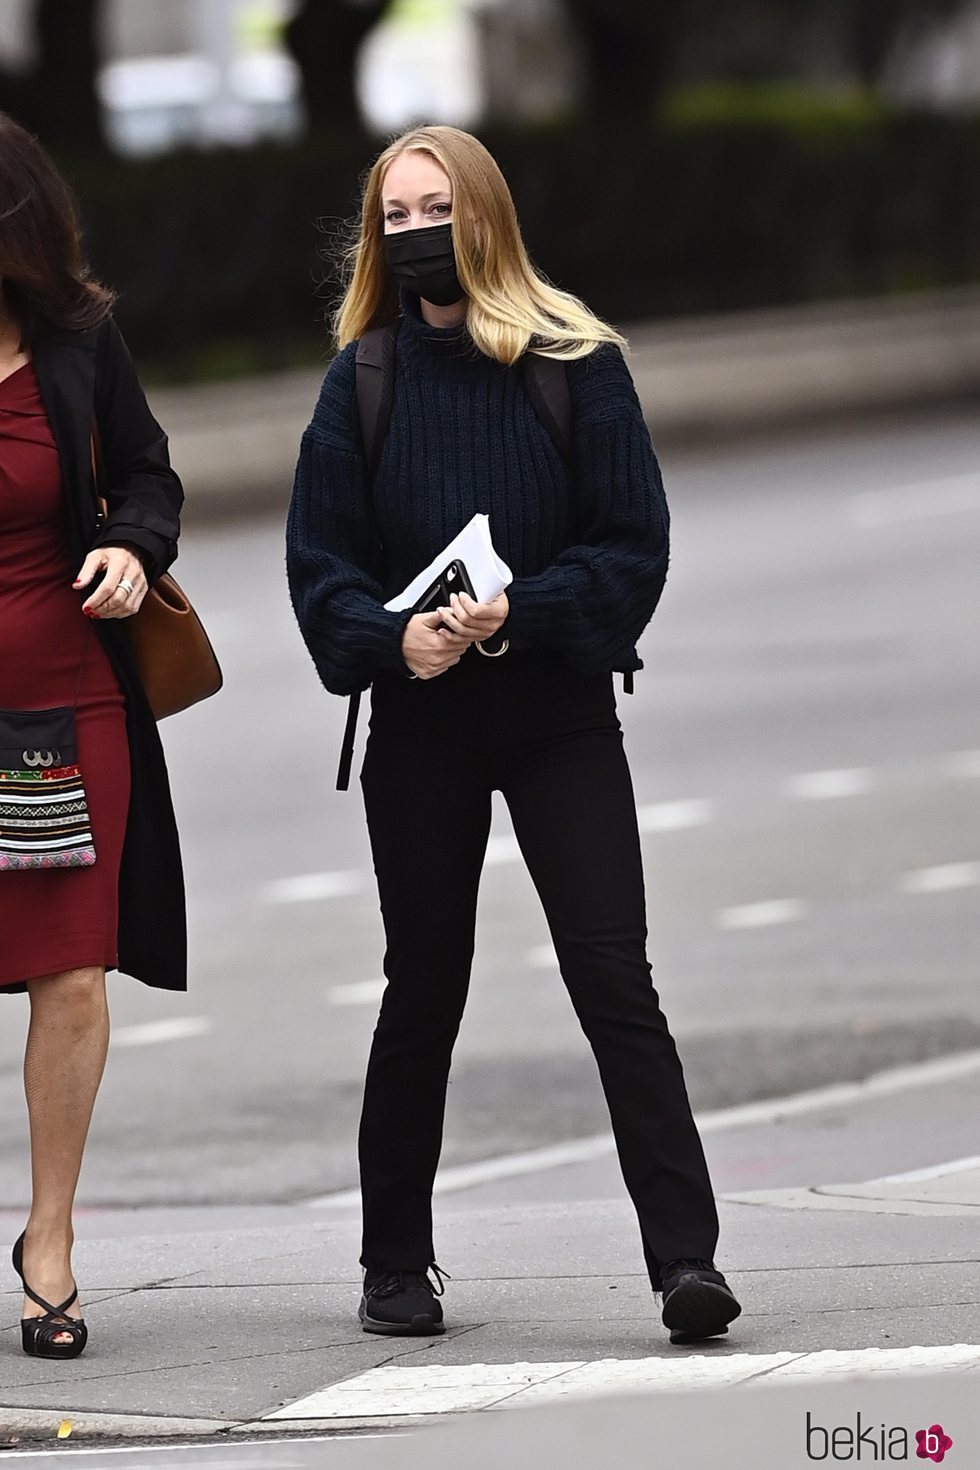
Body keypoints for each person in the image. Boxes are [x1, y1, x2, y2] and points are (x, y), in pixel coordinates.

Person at [287, 125, 741, 1346]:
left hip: (558, 718)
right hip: (421, 727)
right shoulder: (362, 381)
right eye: (393, 215)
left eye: (434, 206)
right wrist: (396, 643)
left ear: (483, 216)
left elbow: (631, 548)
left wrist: (517, 610)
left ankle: (684, 1260)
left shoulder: (572, 361)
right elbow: (318, 571)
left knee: (611, 974)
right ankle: (395, 1268)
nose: (414, 230)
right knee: (422, 986)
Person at [0, 114, 186, 1359]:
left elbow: (152, 474)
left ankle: (50, 1238)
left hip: (66, 710)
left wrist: (129, 544)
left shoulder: (76, 347)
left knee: (71, 972)